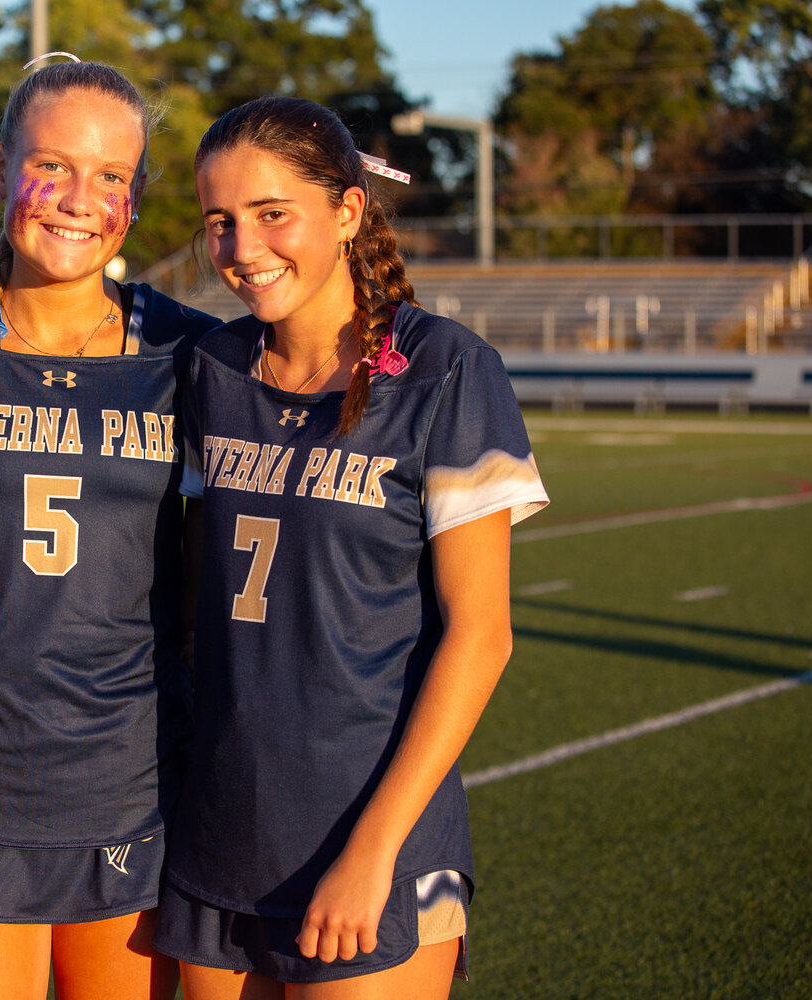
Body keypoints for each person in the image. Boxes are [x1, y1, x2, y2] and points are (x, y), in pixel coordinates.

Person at [151, 97, 551, 999]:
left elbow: (481, 635)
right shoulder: (210, 371)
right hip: (218, 831)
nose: (243, 249)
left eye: (271, 214)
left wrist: (374, 852)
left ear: (347, 210)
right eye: (220, 222)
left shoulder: (445, 369)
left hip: (371, 837)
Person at [0, 58, 221, 1000]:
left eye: (112, 176)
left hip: (134, 783)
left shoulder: (191, 354)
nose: (80, 200)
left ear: (139, 194)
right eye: (52, 166)